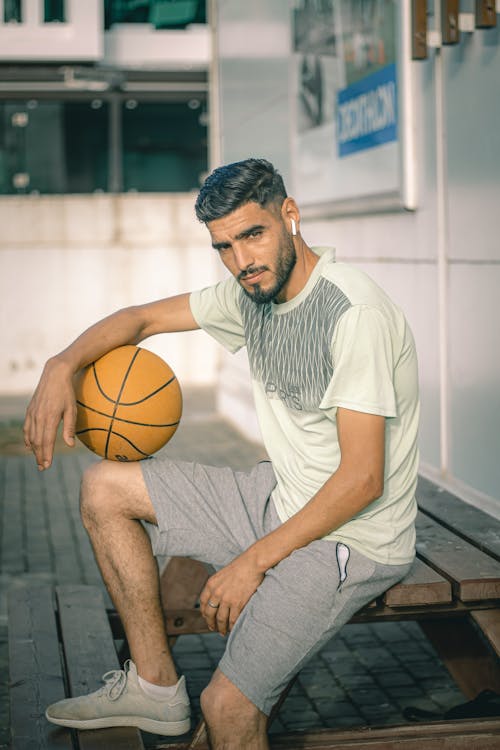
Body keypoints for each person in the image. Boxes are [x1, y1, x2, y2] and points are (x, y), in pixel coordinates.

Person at [24, 158, 419, 750]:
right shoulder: (251, 293)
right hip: (282, 498)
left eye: (252, 235)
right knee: (104, 487)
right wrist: (61, 365)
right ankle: (154, 688)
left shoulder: (352, 314)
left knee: (227, 707)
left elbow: (362, 480)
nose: (241, 260)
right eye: (224, 246)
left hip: (353, 540)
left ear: (289, 215)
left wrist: (252, 562)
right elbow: (140, 319)